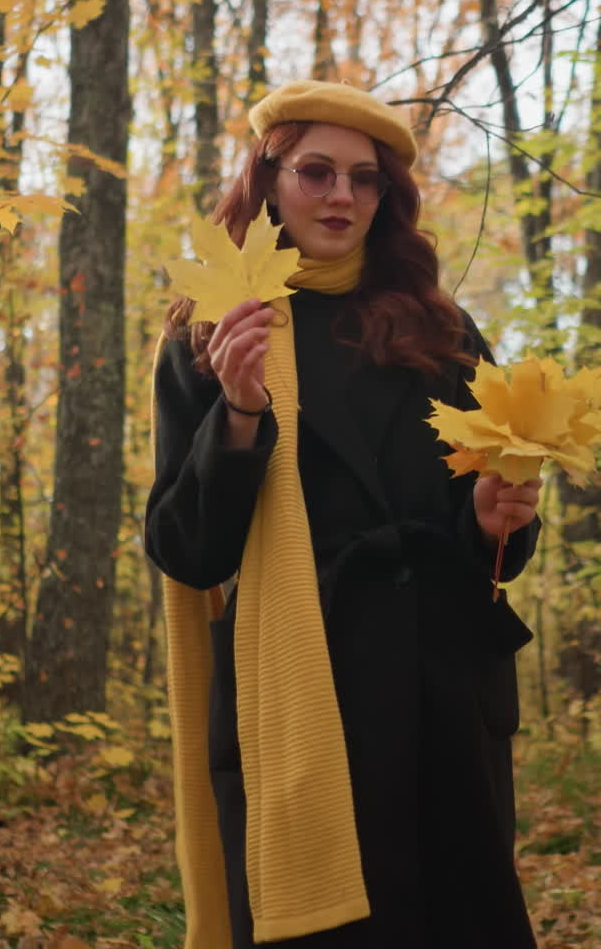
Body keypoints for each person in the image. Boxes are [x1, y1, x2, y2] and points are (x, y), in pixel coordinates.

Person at [145, 80, 541, 949]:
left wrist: (488, 518)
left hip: (441, 692)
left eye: (365, 180)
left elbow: (496, 544)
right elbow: (186, 551)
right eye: (316, 171)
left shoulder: (442, 329)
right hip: (298, 693)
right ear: (269, 178)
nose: (341, 196)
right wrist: (240, 415)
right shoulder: (214, 328)